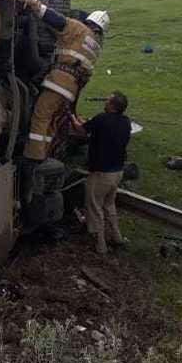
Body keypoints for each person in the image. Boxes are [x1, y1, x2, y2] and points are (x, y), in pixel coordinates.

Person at [22, 0, 109, 162]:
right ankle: (46, 153)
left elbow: (55, 19)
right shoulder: (95, 45)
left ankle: (33, 156)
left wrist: (35, 5)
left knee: (41, 115)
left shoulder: (79, 29)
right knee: (53, 120)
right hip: (71, 89)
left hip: (58, 82)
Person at [76, 91, 132, 254]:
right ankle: (117, 237)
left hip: (101, 174)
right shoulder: (125, 121)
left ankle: (100, 245)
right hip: (117, 172)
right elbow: (89, 126)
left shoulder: (102, 118)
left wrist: (72, 118)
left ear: (113, 106)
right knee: (109, 205)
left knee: (95, 208)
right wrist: (82, 121)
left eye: (107, 101)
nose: (105, 103)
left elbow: (80, 130)